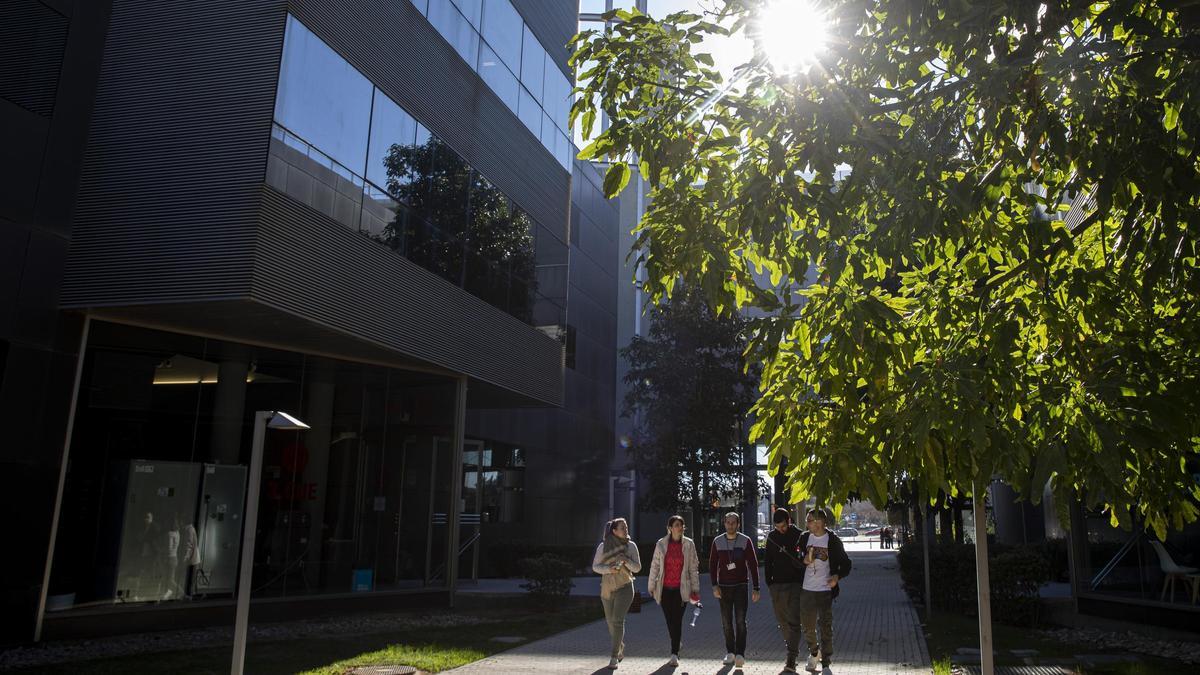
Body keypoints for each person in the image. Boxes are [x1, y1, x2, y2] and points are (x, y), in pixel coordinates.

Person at [798, 508, 852, 674]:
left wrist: (836, 577)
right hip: (807, 589)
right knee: (807, 627)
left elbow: (847, 563)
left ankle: (826, 663)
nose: (806, 524)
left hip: (824, 590)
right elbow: (798, 557)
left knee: (825, 627)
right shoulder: (804, 537)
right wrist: (804, 559)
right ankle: (815, 652)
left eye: (809, 521)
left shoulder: (833, 540)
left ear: (819, 522)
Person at [647, 515, 701, 667]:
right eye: (677, 525)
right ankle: (677, 643)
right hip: (664, 589)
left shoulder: (689, 544)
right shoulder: (661, 544)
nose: (680, 527)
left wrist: (695, 589)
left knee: (677, 621)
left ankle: (674, 653)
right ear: (670, 528)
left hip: (681, 589)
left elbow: (693, 568)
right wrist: (651, 586)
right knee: (670, 621)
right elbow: (655, 566)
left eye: (681, 525)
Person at [708, 511, 760, 668]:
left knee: (740, 621)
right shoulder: (717, 541)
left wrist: (756, 587)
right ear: (724, 524)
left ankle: (740, 654)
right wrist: (714, 585)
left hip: (741, 586)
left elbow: (753, 564)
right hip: (723, 587)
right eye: (728, 523)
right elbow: (712, 564)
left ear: (738, 524)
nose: (730, 525)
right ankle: (730, 652)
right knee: (726, 621)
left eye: (733, 523)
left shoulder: (745, 541)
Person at [592, 517, 641, 669]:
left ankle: (614, 656)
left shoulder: (631, 546)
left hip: (625, 586)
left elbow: (637, 568)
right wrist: (608, 569)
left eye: (626, 527)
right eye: (622, 528)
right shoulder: (603, 546)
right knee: (610, 622)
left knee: (618, 620)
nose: (626, 530)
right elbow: (595, 566)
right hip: (607, 588)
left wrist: (626, 560)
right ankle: (619, 647)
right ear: (614, 531)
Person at [764, 508, 806, 673]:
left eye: (783, 526)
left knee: (794, 621)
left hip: (795, 584)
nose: (780, 530)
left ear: (789, 521)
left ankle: (791, 657)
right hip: (777, 585)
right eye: (777, 527)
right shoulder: (772, 536)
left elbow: (804, 558)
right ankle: (792, 649)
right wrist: (769, 582)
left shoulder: (799, 535)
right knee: (783, 622)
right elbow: (768, 560)